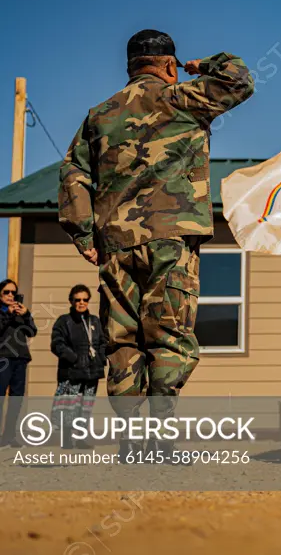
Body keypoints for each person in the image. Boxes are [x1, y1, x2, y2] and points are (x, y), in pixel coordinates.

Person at [57, 29, 254, 457]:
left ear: (129, 67)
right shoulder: (183, 98)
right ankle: (160, 440)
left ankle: (131, 440)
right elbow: (240, 79)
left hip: (115, 243)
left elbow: (74, 173)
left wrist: (84, 234)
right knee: (167, 334)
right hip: (172, 238)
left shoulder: (100, 114)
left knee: (123, 339)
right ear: (168, 65)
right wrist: (203, 65)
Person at [50, 285, 106, 450]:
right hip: (72, 371)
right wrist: (74, 358)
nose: (81, 303)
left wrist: (100, 358)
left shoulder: (94, 321)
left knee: (85, 405)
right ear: (71, 301)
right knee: (69, 406)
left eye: (85, 300)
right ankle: (66, 439)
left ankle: (81, 438)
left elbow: (102, 341)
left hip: (91, 372)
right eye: (78, 300)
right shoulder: (64, 321)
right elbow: (57, 344)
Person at [0, 278, 37, 448]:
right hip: (3, 359)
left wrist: (27, 315)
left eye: (13, 292)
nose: (10, 295)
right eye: (6, 292)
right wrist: (7, 313)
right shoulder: (2, 312)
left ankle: (9, 435)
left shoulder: (20, 314)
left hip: (20, 359)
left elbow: (32, 332)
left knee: (16, 399)